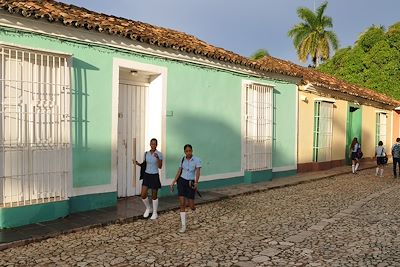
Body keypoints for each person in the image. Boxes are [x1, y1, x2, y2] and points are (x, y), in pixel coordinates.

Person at [170, 144, 201, 233]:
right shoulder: (182, 159)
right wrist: (174, 181)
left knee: (191, 205)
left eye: (189, 151)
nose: (188, 152)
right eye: (186, 151)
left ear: (192, 151)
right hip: (182, 182)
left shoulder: (197, 160)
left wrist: (196, 182)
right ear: (184, 152)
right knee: (182, 203)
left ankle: (195, 215)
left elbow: (198, 172)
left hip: (190, 183)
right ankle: (183, 226)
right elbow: (179, 171)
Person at [135, 138, 163, 219]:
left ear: (156, 145)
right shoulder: (146, 153)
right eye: (152, 143)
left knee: (154, 195)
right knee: (143, 194)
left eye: (154, 144)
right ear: (150, 144)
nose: (153, 145)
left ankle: (155, 212)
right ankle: (148, 208)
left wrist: (157, 158)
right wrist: (138, 164)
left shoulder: (159, 154)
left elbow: (160, 166)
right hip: (147, 175)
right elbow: (144, 165)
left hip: (154, 175)